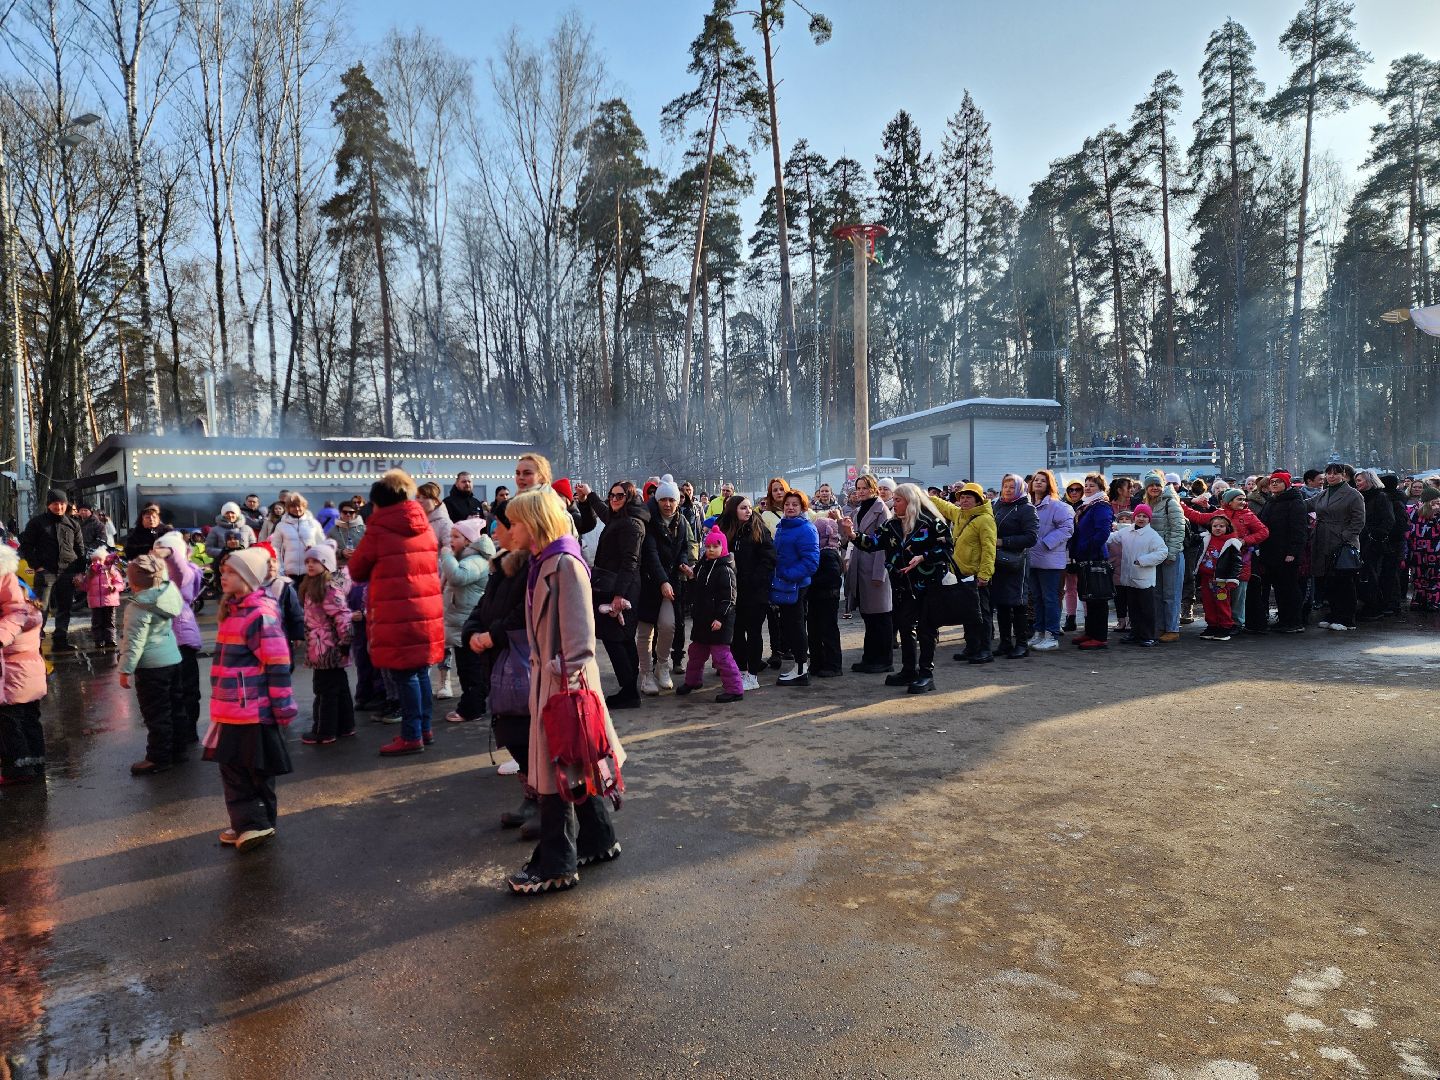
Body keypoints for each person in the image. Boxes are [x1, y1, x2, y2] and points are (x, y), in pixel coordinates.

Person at [503, 487, 625, 896]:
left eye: (515, 521)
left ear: (534, 522)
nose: (509, 528)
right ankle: (599, 839)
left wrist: (561, 677)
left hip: (564, 687)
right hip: (555, 683)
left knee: (558, 772)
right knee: (576, 765)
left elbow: (580, 639)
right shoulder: (543, 561)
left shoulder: (564, 563)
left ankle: (556, 864)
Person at [346, 469, 445, 755]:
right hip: (425, 609)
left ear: (380, 503)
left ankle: (411, 735)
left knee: (405, 675)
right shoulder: (423, 524)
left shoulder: (379, 528)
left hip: (397, 610)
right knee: (421, 672)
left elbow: (357, 569)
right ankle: (425, 728)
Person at [205, 547, 297, 852]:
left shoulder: (260, 614)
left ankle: (258, 823)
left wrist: (283, 707)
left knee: (256, 767)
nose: (223, 575)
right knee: (231, 766)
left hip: (253, 710)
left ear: (248, 577)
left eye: (230, 571)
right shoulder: (232, 611)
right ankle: (246, 822)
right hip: (230, 709)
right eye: (222, 571)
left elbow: (278, 664)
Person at [462, 500, 535, 833]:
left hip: (519, 662)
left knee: (524, 735)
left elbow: (524, 613)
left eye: (502, 525)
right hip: (497, 662)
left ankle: (543, 803)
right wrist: (472, 632)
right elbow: (483, 605)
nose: (495, 531)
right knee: (509, 731)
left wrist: (492, 636)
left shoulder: (531, 566)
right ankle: (532, 797)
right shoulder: (500, 562)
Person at [841, 482, 951, 693]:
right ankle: (909, 670)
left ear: (910, 502)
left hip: (928, 585)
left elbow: (947, 548)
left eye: (898, 500)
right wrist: (852, 535)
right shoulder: (891, 525)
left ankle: (926, 674)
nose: (894, 504)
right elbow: (874, 543)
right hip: (901, 586)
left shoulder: (931, 523)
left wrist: (923, 557)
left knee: (926, 630)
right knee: (905, 627)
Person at [576, 480, 649, 710]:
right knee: (623, 638)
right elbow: (607, 514)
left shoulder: (632, 525)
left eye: (620, 496)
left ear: (629, 498)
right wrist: (590, 495)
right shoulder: (622, 518)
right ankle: (629, 689)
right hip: (616, 586)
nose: (614, 499)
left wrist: (619, 595)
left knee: (616, 639)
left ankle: (629, 692)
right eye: (612, 495)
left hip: (621, 588)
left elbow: (631, 562)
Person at [118, 553, 185, 776]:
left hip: (152, 666)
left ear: (134, 581)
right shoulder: (168, 594)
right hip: (173, 659)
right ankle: (178, 750)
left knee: (156, 713)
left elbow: (134, 641)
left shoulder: (140, 606)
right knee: (175, 708)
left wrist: (125, 670)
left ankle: (158, 757)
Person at [636, 478, 694, 695]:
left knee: (668, 625)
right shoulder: (649, 519)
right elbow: (650, 554)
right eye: (663, 499)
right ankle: (645, 674)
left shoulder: (680, 521)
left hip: (671, 583)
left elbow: (684, 547)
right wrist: (662, 581)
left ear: (678, 501)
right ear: (657, 500)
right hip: (649, 583)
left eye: (672, 500)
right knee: (645, 631)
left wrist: (684, 564)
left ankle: (662, 665)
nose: (667, 504)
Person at [675, 526, 745, 703]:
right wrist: (691, 577)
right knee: (696, 653)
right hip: (702, 620)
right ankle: (693, 681)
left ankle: (735, 689)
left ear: (723, 547)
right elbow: (697, 591)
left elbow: (729, 598)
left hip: (719, 621)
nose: (711, 549)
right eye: (708, 546)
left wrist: (720, 618)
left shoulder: (726, 570)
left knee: (722, 656)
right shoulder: (703, 566)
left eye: (715, 546)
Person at [0, 545, 48, 786]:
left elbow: (7, 639)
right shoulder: (32, 615)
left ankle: (17, 769)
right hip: (30, 677)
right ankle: (36, 762)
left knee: (10, 724)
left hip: (13, 679)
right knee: (30, 720)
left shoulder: (14, 620)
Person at [718, 495, 776, 692]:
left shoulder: (759, 529)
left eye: (749, 507)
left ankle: (753, 675)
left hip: (755, 592)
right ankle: (741, 671)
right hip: (732, 592)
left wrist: (755, 580)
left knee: (753, 633)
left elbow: (768, 558)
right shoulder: (725, 530)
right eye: (743, 507)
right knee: (735, 633)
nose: (748, 511)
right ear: (733, 509)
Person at [298, 543, 355, 745]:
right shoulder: (311, 585)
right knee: (338, 686)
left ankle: (324, 730)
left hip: (327, 648)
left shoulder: (328, 588)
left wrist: (344, 642)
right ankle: (345, 725)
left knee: (325, 690)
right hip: (320, 646)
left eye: (316, 561)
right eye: (308, 561)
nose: (310, 565)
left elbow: (342, 616)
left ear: (327, 564)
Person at [439, 519, 495, 721]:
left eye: (456, 537)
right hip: (461, 622)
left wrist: (446, 556)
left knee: (470, 670)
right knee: (469, 668)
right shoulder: (463, 557)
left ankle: (471, 708)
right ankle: (475, 703)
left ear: (469, 540)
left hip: (468, 624)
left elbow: (457, 577)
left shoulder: (475, 561)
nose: (451, 540)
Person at [935, 482, 996, 663]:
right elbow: (944, 506)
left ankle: (985, 650)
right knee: (968, 613)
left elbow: (989, 549)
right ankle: (971, 647)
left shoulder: (985, 519)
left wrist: (985, 574)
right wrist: (921, 496)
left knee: (982, 614)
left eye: (969, 497)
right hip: (962, 574)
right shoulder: (960, 514)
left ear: (978, 500)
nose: (964, 500)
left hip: (978, 575)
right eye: (962, 497)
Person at [153, 531, 204, 744]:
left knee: (188, 689)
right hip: (161, 643)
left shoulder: (189, 572)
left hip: (182, 640)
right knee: (168, 691)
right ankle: (174, 730)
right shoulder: (156, 576)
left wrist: (171, 552)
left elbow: (180, 572)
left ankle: (189, 730)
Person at [19, 489, 85, 649]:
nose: (59, 507)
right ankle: (36, 641)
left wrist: (80, 571)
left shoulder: (72, 524)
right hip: (46, 572)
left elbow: (80, 548)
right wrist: (37, 566)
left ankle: (60, 640)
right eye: (55, 504)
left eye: (62, 503)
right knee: (41, 608)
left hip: (67, 572)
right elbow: (26, 546)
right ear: (49, 505)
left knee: (65, 607)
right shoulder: (36, 523)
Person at [842, 474, 894, 673]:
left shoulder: (882, 511)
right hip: (860, 567)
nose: (861, 491)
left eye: (865, 487)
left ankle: (883, 659)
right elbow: (853, 538)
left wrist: (879, 574)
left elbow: (883, 545)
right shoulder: (858, 510)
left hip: (874, 570)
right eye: (858, 488)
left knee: (880, 616)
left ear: (874, 488)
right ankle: (870, 657)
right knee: (868, 616)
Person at [771, 489, 820, 686]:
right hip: (784, 586)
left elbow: (811, 562)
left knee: (796, 626)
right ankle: (799, 667)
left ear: (802, 508)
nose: (790, 508)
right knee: (790, 627)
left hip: (796, 586)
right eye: (787, 504)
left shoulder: (806, 529)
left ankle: (801, 670)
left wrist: (786, 575)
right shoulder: (783, 526)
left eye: (795, 505)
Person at [1310, 463, 1365, 632]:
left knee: (1345, 581)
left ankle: (1347, 618)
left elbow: (1359, 520)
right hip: (1322, 541)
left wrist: (1345, 537)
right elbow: (1305, 504)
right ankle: (1334, 614)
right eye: (1328, 473)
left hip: (1342, 544)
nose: (1331, 476)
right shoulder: (1324, 493)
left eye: (1335, 473)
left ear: (1344, 475)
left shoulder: (1353, 494)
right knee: (1328, 580)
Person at [1106, 504, 1170, 647]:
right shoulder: (1127, 531)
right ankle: (1135, 633)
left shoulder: (1152, 535)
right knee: (1133, 608)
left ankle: (1149, 636)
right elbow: (1112, 538)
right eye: (1138, 516)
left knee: (1146, 609)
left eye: (1144, 516)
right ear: (1134, 517)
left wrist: (1143, 561)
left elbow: (1162, 552)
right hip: (1129, 577)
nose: (1141, 519)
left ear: (1149, 519)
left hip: (1144, 578)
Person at [991, 474, 1039, 659]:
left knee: (1017, 603)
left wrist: (1003, 541)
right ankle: (1004, 642)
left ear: (1020, 488)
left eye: (1012, 486)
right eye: (1005, 486)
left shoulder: (1027, 509)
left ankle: (1021, 643)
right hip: (998, 561)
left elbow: (1031, 537)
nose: (1008, 490)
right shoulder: (998, 505)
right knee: (1001, 603)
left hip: (1017, 561)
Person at [1256, 472, 1308, 633]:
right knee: (1279, 588)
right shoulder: (1271, 501)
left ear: (1286, 484)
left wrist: (1293, 551)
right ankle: (1284, 620)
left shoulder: (1295, 502)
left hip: (1287, 553)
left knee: (1289, 588)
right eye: (1272, 481)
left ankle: (1294, 621)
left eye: (1279, 482)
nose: (1275, 484)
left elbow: (1299, 530)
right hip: (1270, 552)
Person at [1027, 470, 1073, 651]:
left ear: (1049, 484)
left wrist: (1046, 544)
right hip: (1032, 559)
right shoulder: (1029, 505)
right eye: (1036, 480)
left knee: (1050, 598)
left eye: (1042, 481)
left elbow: (1067, 529)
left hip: (1050, 560)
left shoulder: (1058, 506)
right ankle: (1039, 632)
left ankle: (1052, 634)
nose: (1038, 483)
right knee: (1037, 598)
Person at [1139, 471, 1186, 643]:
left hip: (1170, 555)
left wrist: (1171, 553)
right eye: (1151, 485)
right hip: (1155, 556)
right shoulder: (1147, 504)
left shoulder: (1171, 503)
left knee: (1171, 594)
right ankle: (1160, 627)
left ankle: (1172, 629)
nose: (1154, 488)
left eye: (1157, 485)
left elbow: (1178, 529)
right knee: (1156, 593)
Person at [1069, 473, 1114, 650]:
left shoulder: (1101, 505)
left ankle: (1100, 636)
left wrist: (1086, 548)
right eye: (1086, 485)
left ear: (1101, 488)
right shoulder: (1088, 505)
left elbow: (1103, 533)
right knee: (1089, 596)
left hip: (1094, 556)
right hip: (1085, 556)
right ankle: (1091, 631)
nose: (1087, 488)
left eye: (1092, 485)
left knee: (1098, 598)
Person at [1354, 469, 1396, 621]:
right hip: (1361, 540)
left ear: (1369, 481)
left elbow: (1389, 520)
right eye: (1356, 480)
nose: (1357, 483)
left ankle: (1375, 606)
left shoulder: (1381, 497)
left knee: (1372, 575)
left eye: (1360, 480)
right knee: (1364, 574)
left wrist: (1375, 535)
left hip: (1373, 543)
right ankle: (1368, 604)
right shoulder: (1359, 497)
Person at [807, 513, 844, 677]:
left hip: (826, 598)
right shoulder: (825, 551)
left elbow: (833, 577)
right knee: (816, 630)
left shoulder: (828, 553)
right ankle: (818, 663)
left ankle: (832, 665)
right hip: (820, 598)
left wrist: (810, 581)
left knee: (827, 631)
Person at [1195, 516, 1244, 641]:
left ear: (1227, 527)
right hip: (1206, 578)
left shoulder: (1231, 543)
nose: (1218, 528)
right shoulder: (1206, 539)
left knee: (1222, 603)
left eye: (1221, 526)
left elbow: (1236, 563)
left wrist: (1232, 579)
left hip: (1221, 581)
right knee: (1208, 603)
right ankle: (1212, 625)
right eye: (1215, 526)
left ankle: (1224, 627)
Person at [271, 494, 325, 584]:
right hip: (289, 572)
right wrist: (280, 568)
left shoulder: (314, 524)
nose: (297, 509)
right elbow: (275, 548)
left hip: (311, 570)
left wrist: (315, 550)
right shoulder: (281, 525)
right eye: (293, 506)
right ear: (287, 508)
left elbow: (322, 545)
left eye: (299, 506)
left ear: (304, 506)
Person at [84, 547, 125, 649]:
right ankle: (98, 640)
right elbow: (85, 586)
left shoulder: (111, 570)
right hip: (95, 602)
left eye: (99, 560)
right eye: (94, 560)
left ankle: (110, 639)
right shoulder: (90, 572)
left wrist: (114, 588)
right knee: (96, 622)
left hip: (109, 600)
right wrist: (80, 583)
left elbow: (120, 583)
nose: (97, 562)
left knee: (109, 621)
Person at [1407, 496, 1440, 611]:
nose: (1437, 505)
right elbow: (1409, 530)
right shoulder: (1414, 513)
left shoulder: (1437, 515)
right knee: (1418, 576)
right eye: (1435, 502)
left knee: (1435, 576)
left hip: (1435, 551)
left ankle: (1433, 601)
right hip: (1418, 550)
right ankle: (1419, 600)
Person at [1061, 479, 1085, 631]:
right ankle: (1071, 617)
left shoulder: (1086, 506)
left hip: (1082, 550)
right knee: (1070, 586)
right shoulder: (1063, 506)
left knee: (1084, 586)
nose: (1074, 492)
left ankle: (1088, 619)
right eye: (1071, 490)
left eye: (1077, 489)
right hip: (1066, 550)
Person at [417, 482, 454, 557]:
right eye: (418, 497)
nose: (420, 500)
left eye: (425, 497)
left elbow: (451, 553)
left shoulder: (445, 523)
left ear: (436, 501)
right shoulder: (415, 522)